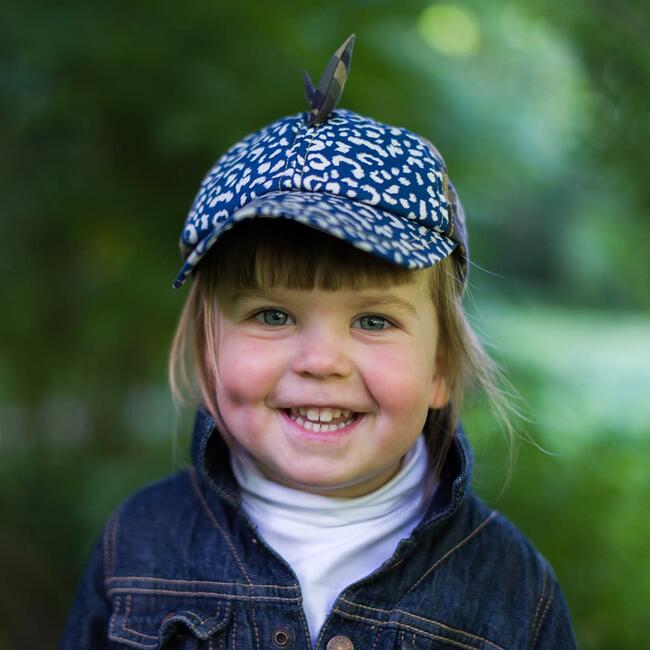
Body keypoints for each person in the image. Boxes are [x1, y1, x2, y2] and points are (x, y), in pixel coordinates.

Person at [60, 35, 577, 649]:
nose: (322, 362)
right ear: (208, 347)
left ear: (440, 367)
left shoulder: (513, 592)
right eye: (273, 316)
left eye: (374, 321)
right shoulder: (138, 550)